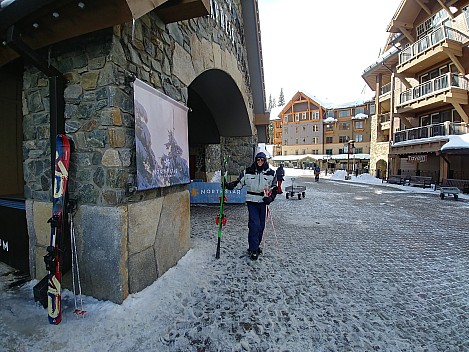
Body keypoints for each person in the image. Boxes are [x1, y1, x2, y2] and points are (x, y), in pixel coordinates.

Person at [226, 152, 277, 260]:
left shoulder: (271, 173)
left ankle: (255, 246)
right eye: (258, 160)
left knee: (261, 226)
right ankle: (253, 250)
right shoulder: (248, 171)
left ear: (265, 161)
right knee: (255, 225)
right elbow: (239, 183)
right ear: (255, 160)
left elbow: (274, 188)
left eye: (262, 160)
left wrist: (270, 198)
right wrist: (230, 186)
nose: (260, 162)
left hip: (263, 202)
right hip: (252, 202)